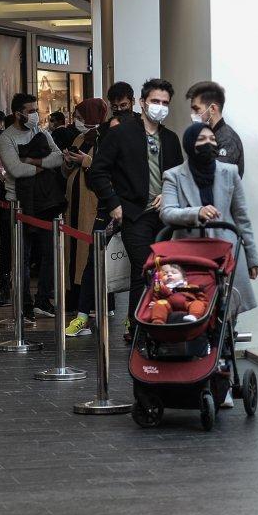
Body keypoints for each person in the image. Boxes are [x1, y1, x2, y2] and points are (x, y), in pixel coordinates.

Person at [159, 121, 258, 406]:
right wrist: (196, 212)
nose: (208, 143)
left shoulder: (229, 173)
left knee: (226, 320)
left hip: (225, 256)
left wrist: (252, 257)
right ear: (190, 144)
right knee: (195, 316)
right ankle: (196, 372)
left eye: (211, 138)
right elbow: (168, 213)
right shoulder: (173, 176)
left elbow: (242, 218)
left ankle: (222, 378)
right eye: (201, 139)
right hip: (190, 260)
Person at [90, 78, 184, 336]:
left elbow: (178, 176)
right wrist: (114, 204)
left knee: (147, 272)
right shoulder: (120, 133)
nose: (160, 107)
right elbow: (97, 172)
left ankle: (140, 325)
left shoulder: (171, 139)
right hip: (134, 215)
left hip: (164, 217)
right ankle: (143, 325)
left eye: (165, 103)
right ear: (142, 103)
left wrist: (168, 193)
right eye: (155, 101)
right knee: (146, 267)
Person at [0, 93, 63, 316]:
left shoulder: (40, 132)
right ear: (18, 114)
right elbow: (15, 170)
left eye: (36, 109)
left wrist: (33, 162)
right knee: (22, 257)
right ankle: (24, 303)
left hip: (44, 203)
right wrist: (43, 167)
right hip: (19, 205)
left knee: (48, 254)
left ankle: (43, 299)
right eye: (31, 110)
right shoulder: (6, 138)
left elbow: (59, 157)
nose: (35, 114)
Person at [61, 98, 109, 336]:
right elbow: (67, 170)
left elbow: (106, 167)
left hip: (92, 202)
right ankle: (78, 301)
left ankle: (90, 306)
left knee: (87, 253)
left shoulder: (105, 138)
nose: (78, 121)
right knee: (74, 251)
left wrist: (86, 161)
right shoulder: (79, 138)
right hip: (75, 202)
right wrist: (69, 161)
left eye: (81, 116)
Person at [186, 81, 245, 176]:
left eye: (196, 109)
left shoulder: (227, 139)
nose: (192, 114)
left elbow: (218, 176)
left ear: (212, 109)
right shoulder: (205, 135)